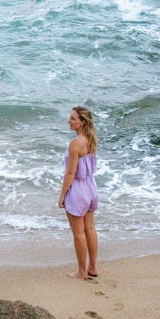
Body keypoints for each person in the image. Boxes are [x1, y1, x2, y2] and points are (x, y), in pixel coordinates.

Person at [58, 106, 98, 280]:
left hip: (78, 190)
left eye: (73, 118)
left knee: (79, 233)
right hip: (91, 187)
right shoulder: (90, 139)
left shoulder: (75, 144)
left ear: (82, 122)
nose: (69, 120)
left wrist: (61, 196)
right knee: (89, 228)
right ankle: (92, 267)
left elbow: (70, 174)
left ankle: (82, 272)